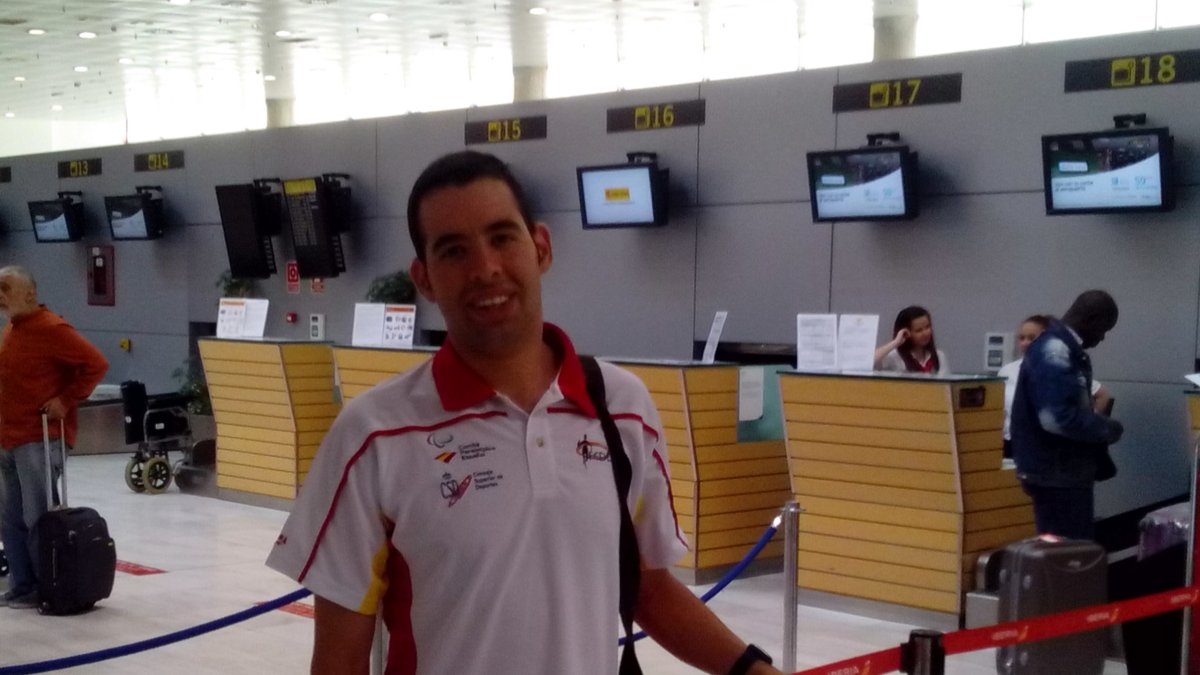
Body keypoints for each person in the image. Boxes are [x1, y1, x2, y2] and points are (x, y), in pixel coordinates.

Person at [266, 151, 783, 675]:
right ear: (423, 278)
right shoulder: (374, 434)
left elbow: (648, 588)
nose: (485, 268)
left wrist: (755, 672)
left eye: (502, 238)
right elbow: (339, 659)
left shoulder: (623, 408)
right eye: (453, 251)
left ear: (540, 248)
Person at [0, 265, 109, 609]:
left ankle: (49, 584)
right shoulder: (13, 329)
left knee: (38, 516)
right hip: (7, 437)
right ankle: (23, 583)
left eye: (5, 289)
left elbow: (96, 364)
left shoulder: (52, 328)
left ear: (29, 293)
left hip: (37, 438)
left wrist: (65, 400)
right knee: (9, 516)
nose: (0, 297)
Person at [1010, 290, 1123, 540]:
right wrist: (1106, 428)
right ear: (1092, 319)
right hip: (1057, 474)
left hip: (1059, 471)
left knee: (1066, 557)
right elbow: (1056, 418)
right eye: (1104, 329)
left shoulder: (1059, 347)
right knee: (1066, 559)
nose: (1102, 338)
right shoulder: (1055, 350)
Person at [999, 314, 1111, 464]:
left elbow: (1103, 395)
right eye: (1022, 338)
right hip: (1012, 444)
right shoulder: (1007, 371)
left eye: (1032, 338)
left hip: (1046, 447)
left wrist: (1088, 426)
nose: (1025, 343)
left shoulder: (1059, 368)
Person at [874, 305, 949, 374]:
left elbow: (946, 386)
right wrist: (896, 342)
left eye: (927, 327)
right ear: (906, 333)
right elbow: (868, 362)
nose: (925, 333)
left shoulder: (939, 355)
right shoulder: (894, 356)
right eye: (919, 330)